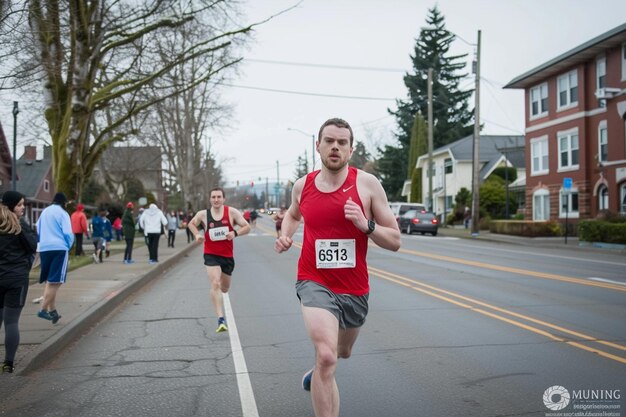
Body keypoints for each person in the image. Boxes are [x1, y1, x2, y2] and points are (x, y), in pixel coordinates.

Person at [274, 118, 401, 417]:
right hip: (313, 280)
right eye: (329, 141)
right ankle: (322, 368)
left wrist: (364, 224)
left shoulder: (367, 185)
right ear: (317, 146)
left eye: (341, 142)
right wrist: (285, 235)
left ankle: (318, 371)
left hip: (354, 288)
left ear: (350, 149)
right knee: (328, 356)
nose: (335, 147)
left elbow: (395, 240)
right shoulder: (302, 185)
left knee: (342, 352)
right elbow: (293, 216)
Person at [187, 188, 250, 333]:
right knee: (215, 282)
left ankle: (221, 291)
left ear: (223, 199)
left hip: (227, 256)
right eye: (213, 197)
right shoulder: (203, 215)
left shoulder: (231, 212)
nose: (216, 199)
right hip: (211, 254)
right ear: (210, 199)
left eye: (219, 197)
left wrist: (235, 233)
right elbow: (191, 223)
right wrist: (197, 234)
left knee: (225, 288)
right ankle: (220, 319)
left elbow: (247, 227)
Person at [0, 191, 38, 373]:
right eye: (20, 204)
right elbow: (32, 246)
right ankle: (8, 363)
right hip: (16, 278)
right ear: (11, 206)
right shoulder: (19, 225)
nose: (23, 207)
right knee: (11, 322)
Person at [36, 192, 75, 324]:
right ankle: (43, 309)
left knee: (50, 280)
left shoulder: (44, 212)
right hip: (59, 248)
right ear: (64, 203)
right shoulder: (63, 213)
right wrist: (69, 246)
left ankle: (53, 311)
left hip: (44, 248)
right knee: (55, 282)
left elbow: (38, 229)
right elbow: (68, 233)